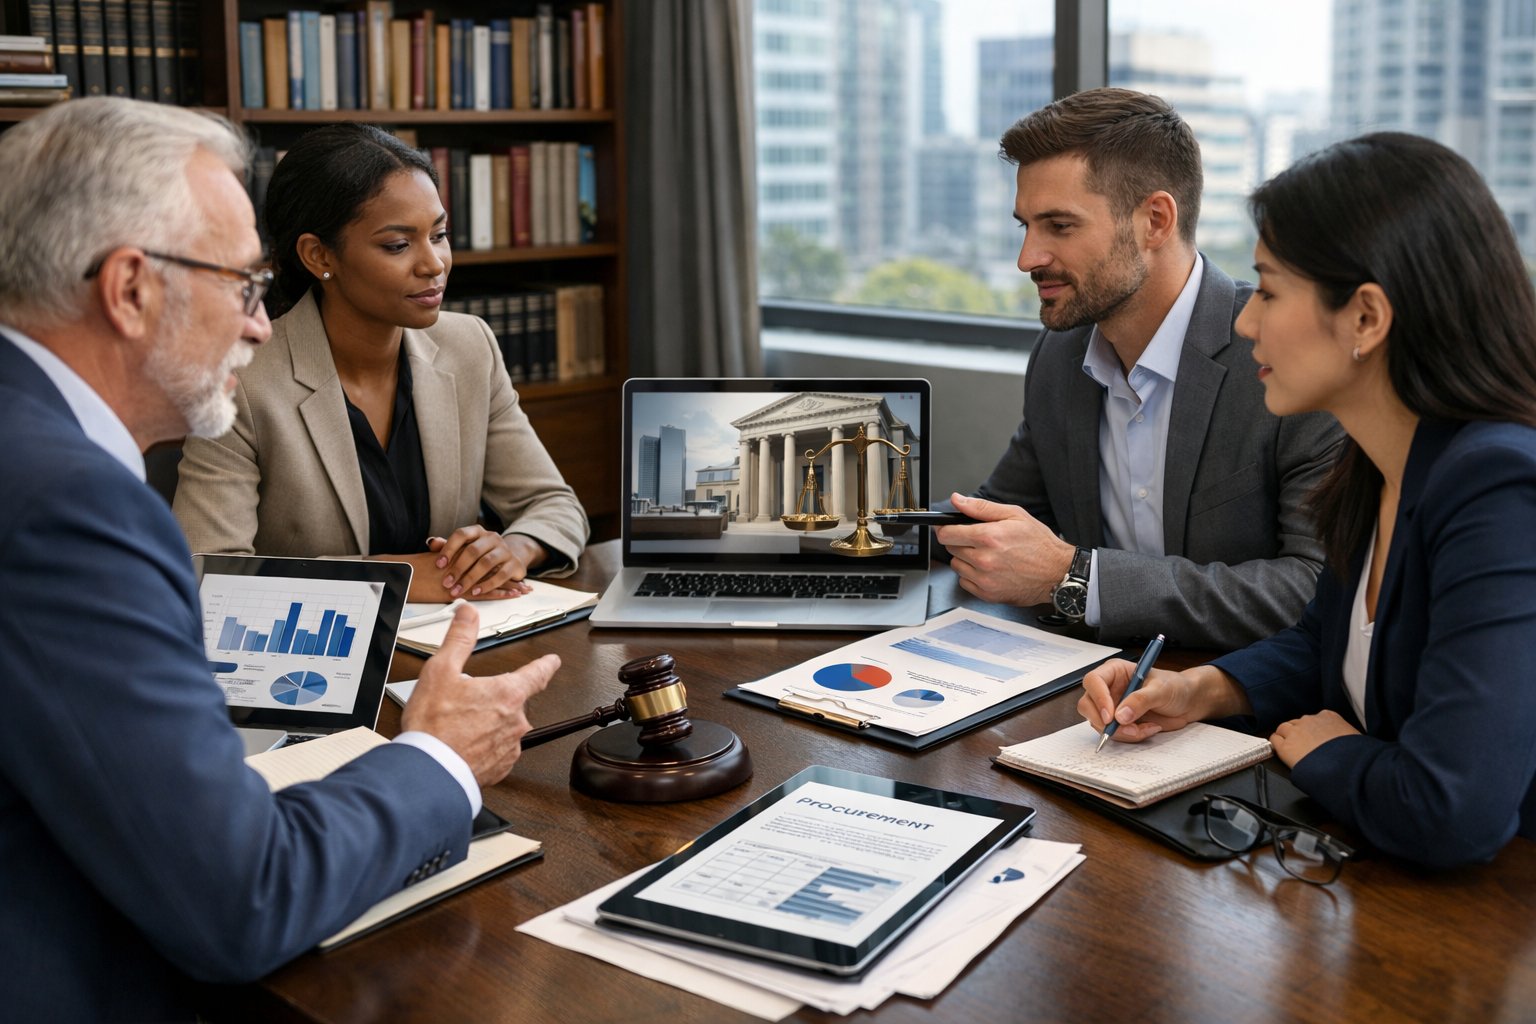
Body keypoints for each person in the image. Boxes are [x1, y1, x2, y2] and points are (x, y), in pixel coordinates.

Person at [0, 98, 562, 1020]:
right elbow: (243, 901)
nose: (259, 327)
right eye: (241, 285)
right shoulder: (71, 509)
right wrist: (439, 758)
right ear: (131, 288)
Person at [1080, 133, 1536, 868]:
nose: (1244, 322)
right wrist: (1200, 689)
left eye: (1267, 290)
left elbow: (1453, 809)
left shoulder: (1500, 491)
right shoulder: (1377, 462)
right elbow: (1324, 640)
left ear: (1365, 318)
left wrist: (1330, 754)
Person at [936, 88, 1342, 651]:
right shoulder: (1060, 357)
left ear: (1154, 220)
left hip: (1245, 702)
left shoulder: (1282, 359)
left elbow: (1316, 588)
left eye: (1059, 226)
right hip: (1090, 689)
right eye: (1025, 225)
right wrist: (835, 528)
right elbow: (997, 521)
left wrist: (1076, 577)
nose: (1027, 258)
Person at [173, 123, 587, 603]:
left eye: (440, 234)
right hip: (313, 663)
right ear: (319, 254)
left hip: (458, 643)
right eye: (398, 244)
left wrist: (513, 549)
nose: (433, 263)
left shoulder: (468, 346)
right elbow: (208, 571)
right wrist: (397, 577)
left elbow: (554, 504)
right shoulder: (240, 382)